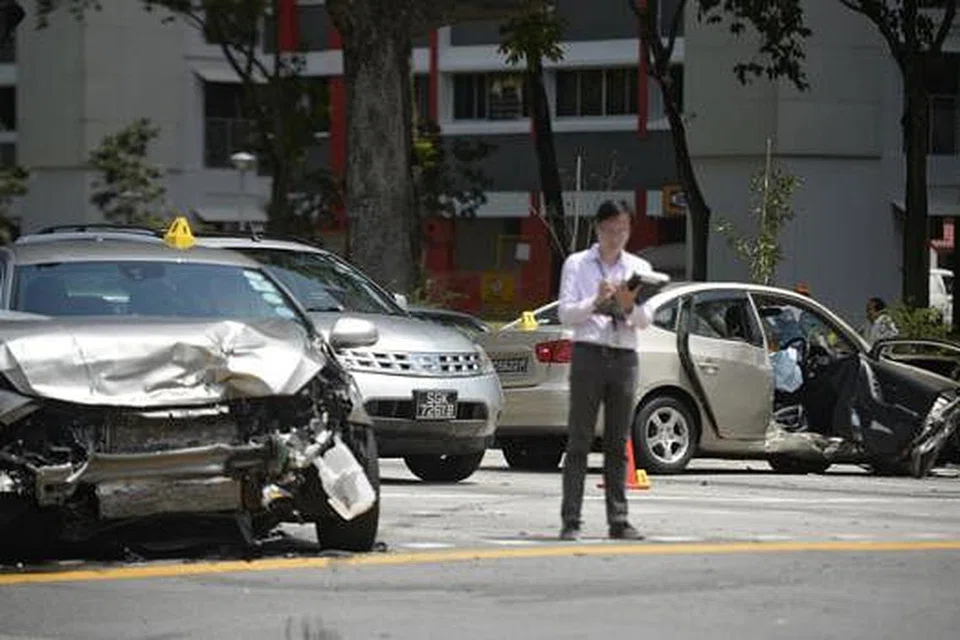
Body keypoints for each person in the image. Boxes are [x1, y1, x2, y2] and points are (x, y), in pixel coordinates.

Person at [557, 199, 656, 541]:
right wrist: (596, 301)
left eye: (623, 230)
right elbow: (566, 314)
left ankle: (619, 519)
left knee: (618, 440)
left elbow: (646, 320)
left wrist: (629, 304)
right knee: (580, 438)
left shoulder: (637, 267)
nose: (617, 237)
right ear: (598, 229)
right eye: (610, 230)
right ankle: (571, 520)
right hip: (589, 353)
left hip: (624, 355)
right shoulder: (578, 264)